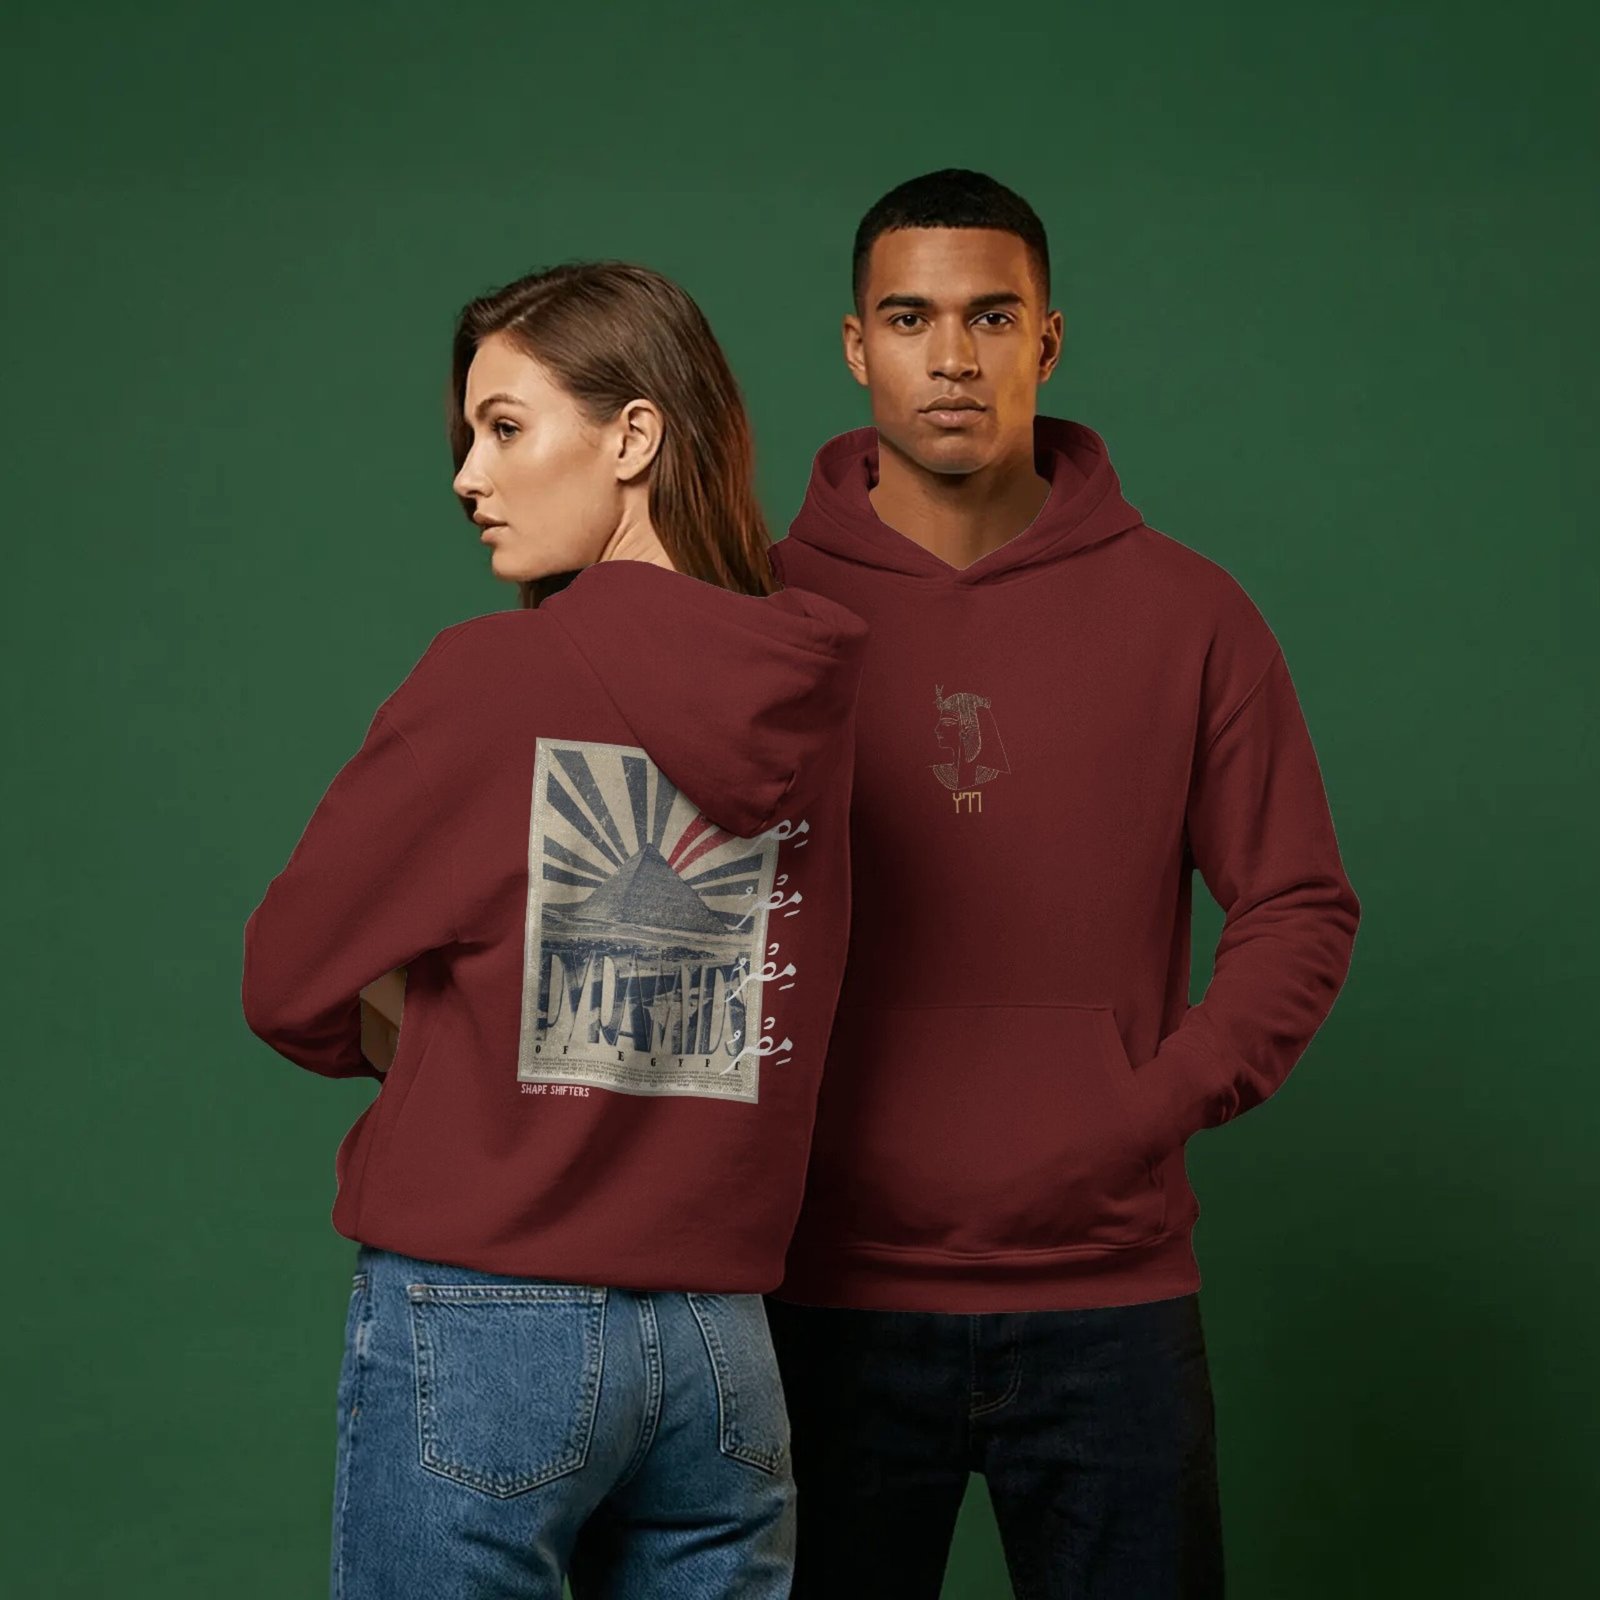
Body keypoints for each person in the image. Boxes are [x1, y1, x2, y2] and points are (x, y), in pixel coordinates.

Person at [759, 169, 1362, 1598]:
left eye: (990, 317)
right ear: (854, 345)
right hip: (817, 1291)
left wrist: (1143, 1108)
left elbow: (1297, 905)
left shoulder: (1190, 613)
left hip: (1113, 1300)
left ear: (1048, 339)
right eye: (910, 318)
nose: (951, 358)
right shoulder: (760, 613)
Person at [240, 260, 869, 1599]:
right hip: (722, 1346)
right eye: (468, 435)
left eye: (505, 427)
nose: (468, 475)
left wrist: (460, 1049)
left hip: (488, 1323)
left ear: (633, 435)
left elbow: (287, 980)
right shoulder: (808, 704)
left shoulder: (491, 681)